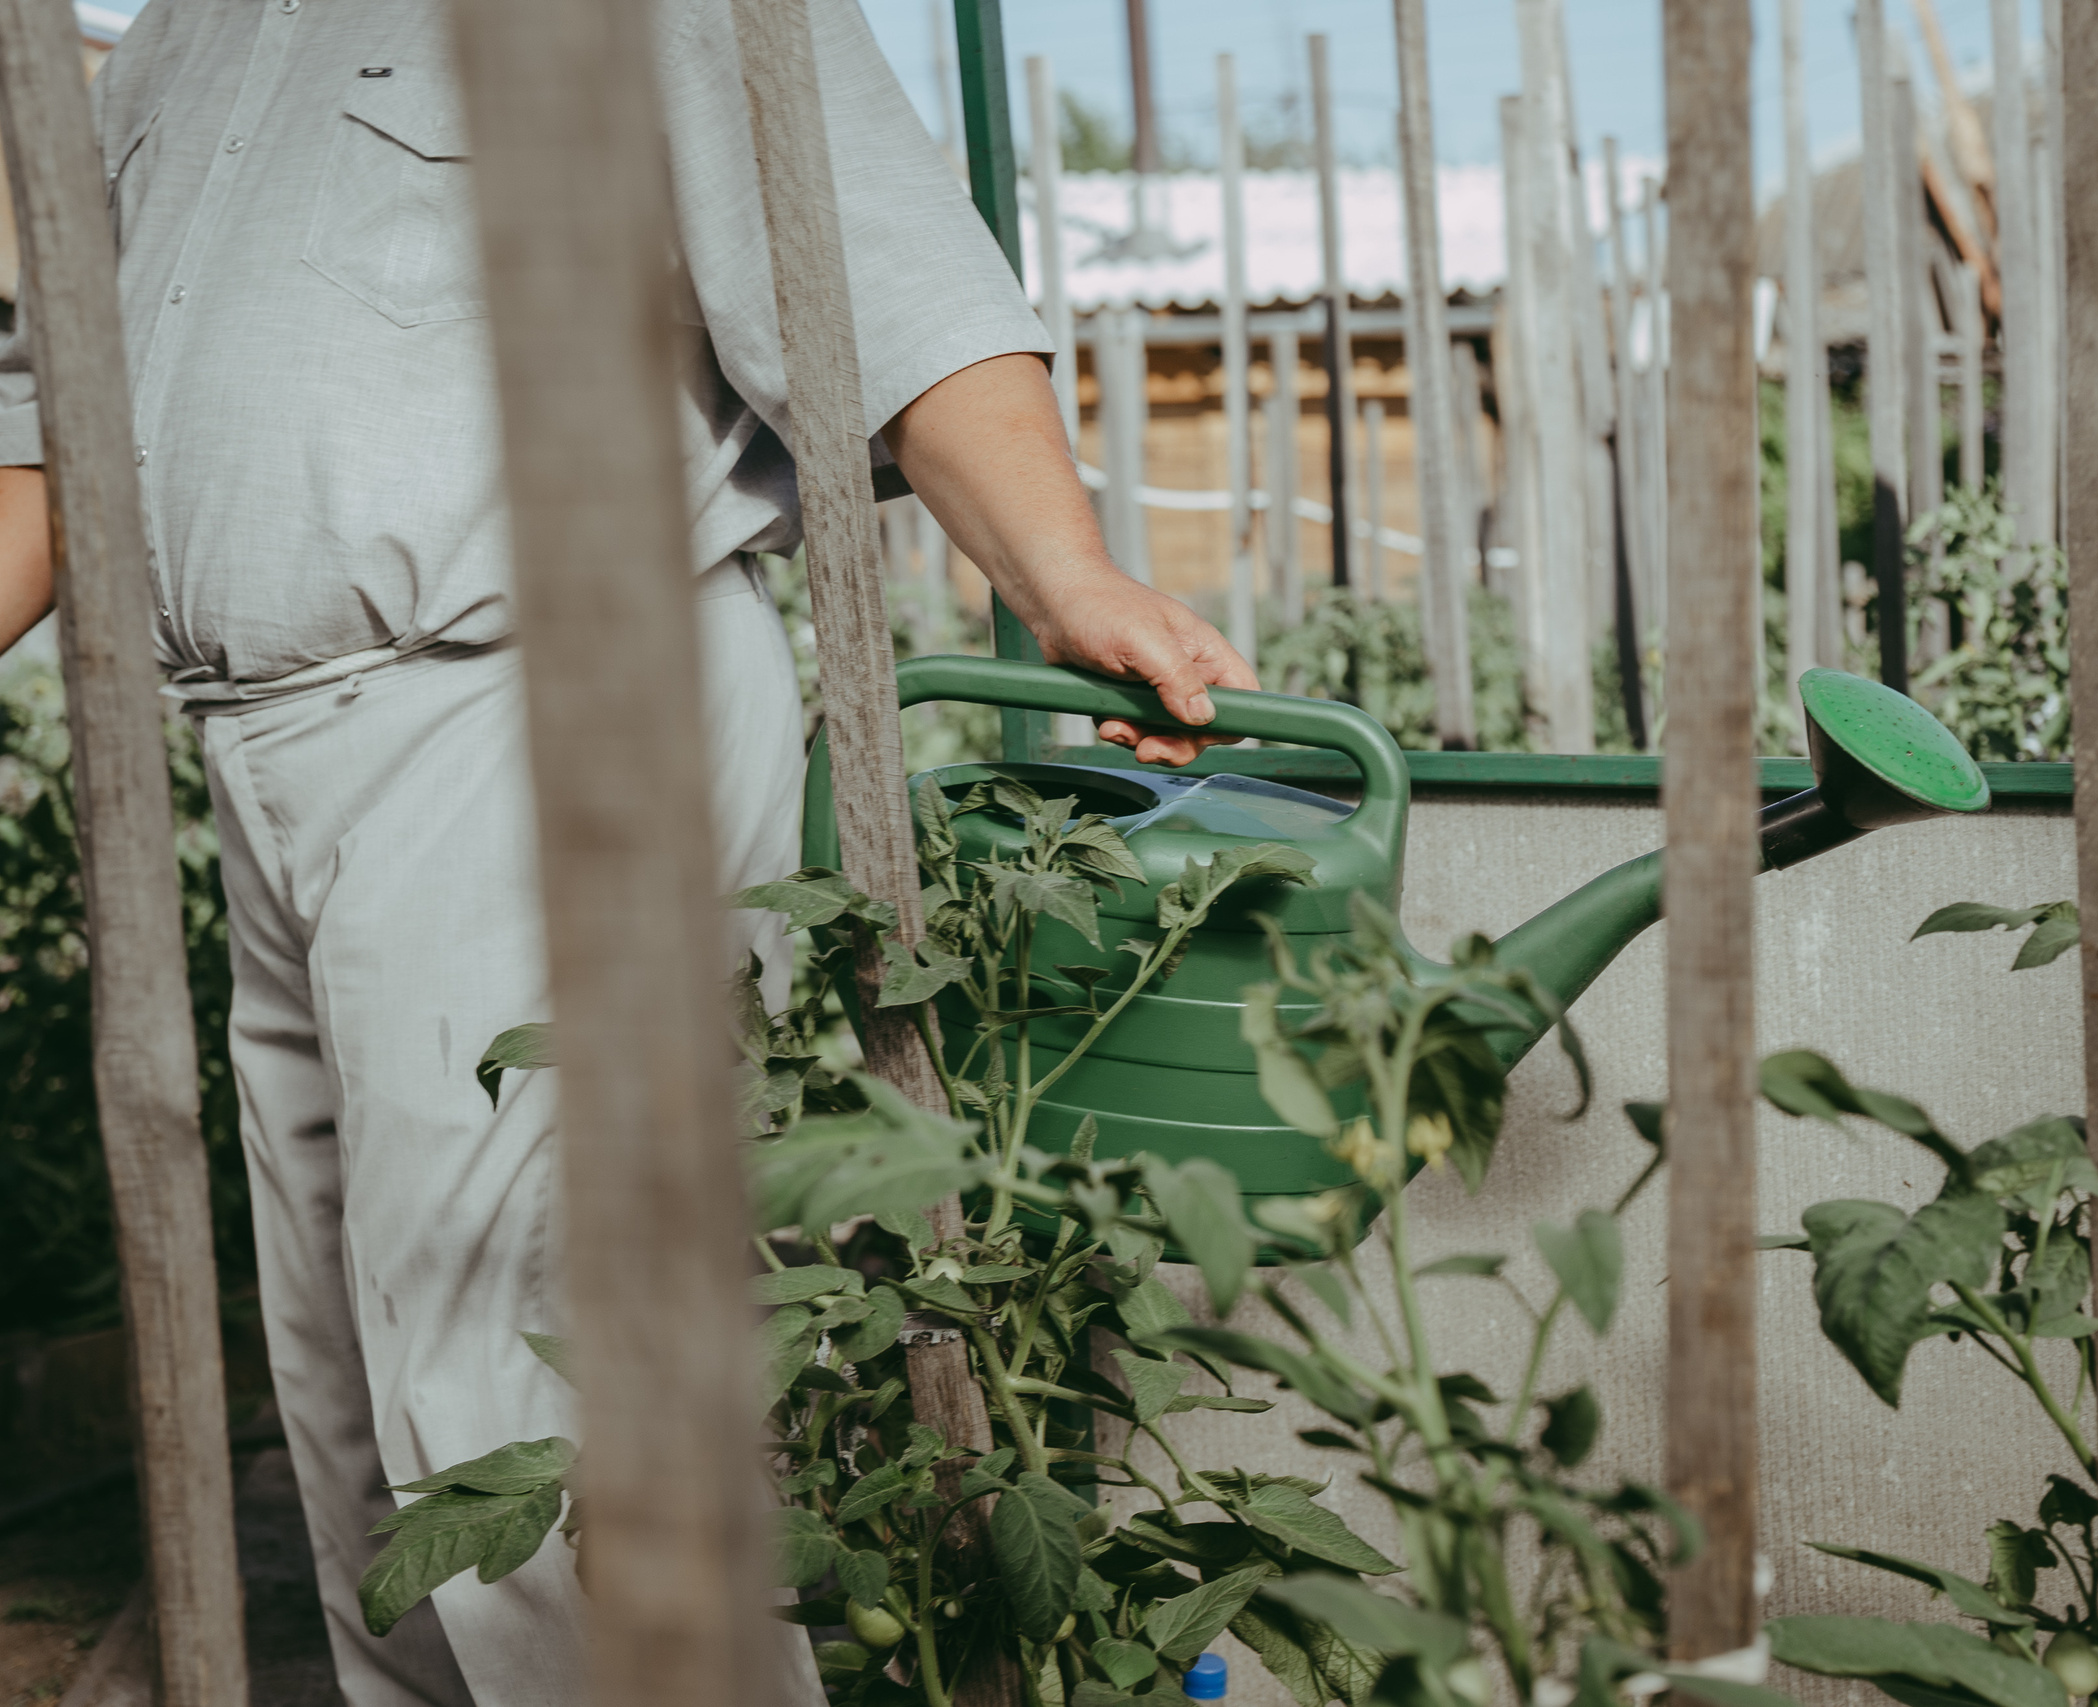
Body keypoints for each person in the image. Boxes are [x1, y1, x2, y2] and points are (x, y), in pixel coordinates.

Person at [0, 5, 1251, 1703]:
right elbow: (46, 431)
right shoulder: (172, 43)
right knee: (354, 1384)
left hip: (544, 698)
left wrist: (1064, 574)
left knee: (526, 1365)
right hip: (267, 744)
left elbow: (871, 257)